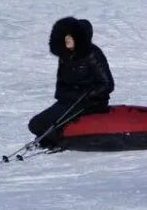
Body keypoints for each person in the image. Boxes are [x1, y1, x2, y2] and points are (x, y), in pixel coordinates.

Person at [28, 18, 113, 147]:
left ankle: (59, 141)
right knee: (35, 124)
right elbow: (61, 83)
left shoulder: (93, 54)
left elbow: (107, 84)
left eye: (71, 35)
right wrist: (65, 95)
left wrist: (85, 95)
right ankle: (50, 139)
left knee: (54, 124)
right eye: (66, 35)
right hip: (69, 101)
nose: (67, 38)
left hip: (91, 102)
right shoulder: (65, 56)